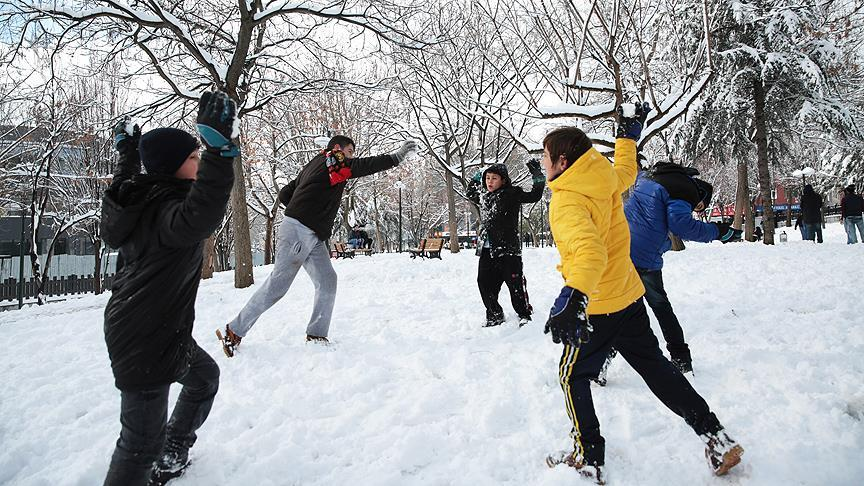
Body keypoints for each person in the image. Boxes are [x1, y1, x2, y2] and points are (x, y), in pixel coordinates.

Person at [540, 103, 743, 484]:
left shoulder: (567, 198)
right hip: (629, 297)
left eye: (545, 157)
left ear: (563, 162)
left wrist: (574, 295)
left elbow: (588, 251)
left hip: (598, 304)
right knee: (656, 367)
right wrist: (627, 137)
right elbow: (625, 171)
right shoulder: (601, 178)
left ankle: (587, 457)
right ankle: (715, 436)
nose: (543, 164)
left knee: (572, 376)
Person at [101, 91, 238, 485]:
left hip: (157, 329)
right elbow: (202, 212)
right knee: (139, 442)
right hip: (143, 337)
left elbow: (125, 178)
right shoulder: (168, 213)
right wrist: (218, 151)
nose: (197, 161)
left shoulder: (142, 196)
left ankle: (173, 451)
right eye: (193, 158)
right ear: (174, 168)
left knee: (203, 378)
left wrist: (127, 149)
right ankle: (159, 456)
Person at [217, 136, 417, 355]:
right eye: (350, 151)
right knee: (278, 286)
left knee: (327, 280)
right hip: (300, 230)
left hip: (311, 233)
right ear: (338, 148)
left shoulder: (317, 163)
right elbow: (362, 165)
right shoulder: (334, 160)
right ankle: (234, 330)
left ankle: (316, 334)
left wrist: (306, 205)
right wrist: (396, 157)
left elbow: (286, 192)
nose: (351, 157)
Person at [622, 162, 742, 374]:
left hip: (619, 246)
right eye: (699, 206)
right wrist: (717, 231)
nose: (697, 209)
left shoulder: (650, 176)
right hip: (644, 255)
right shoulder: (686, 191)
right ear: (700, 196)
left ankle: (599, 360)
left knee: (619, 309)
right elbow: (681, 225)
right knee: (660, 306)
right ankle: (681, 358)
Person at [465, 159, 545, 327]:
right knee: (484, 283)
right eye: (487, 178)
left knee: (514, 285)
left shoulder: (512, 194)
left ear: (503, 180)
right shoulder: (484, 197)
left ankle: (524, 314)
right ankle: (494, 315)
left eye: (494, 178)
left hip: (508, 249)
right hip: (488, 249)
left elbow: (535, 195)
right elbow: (470, 192)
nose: (489, 182)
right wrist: (477, 175)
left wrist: (537, 174)